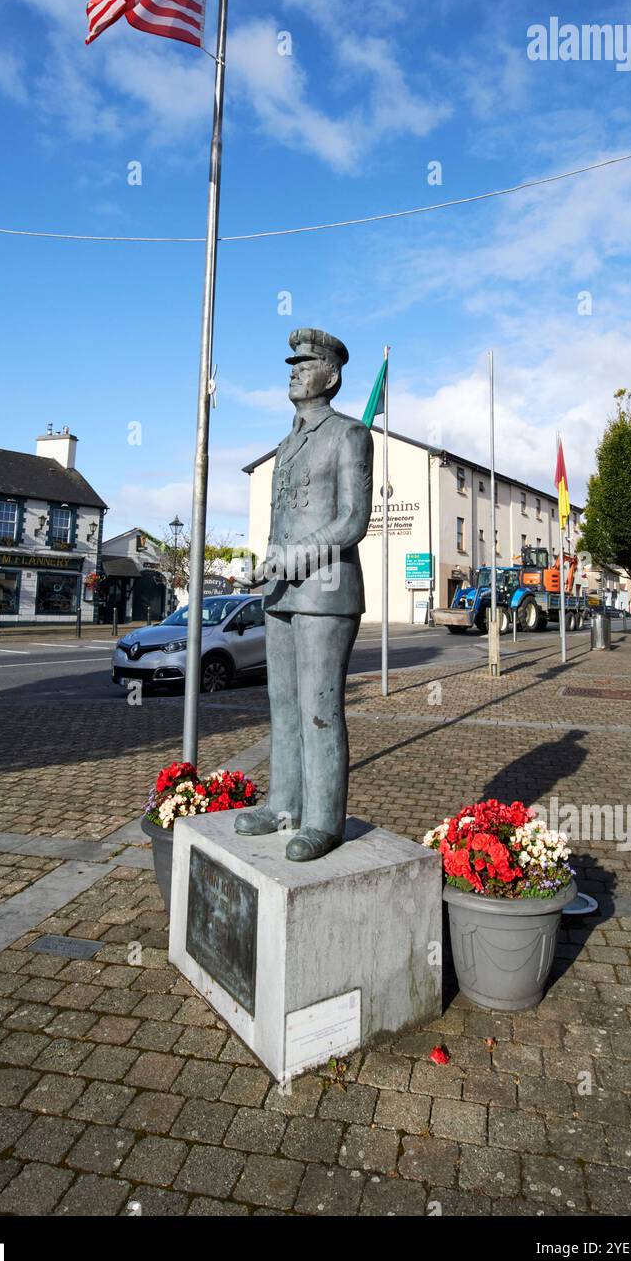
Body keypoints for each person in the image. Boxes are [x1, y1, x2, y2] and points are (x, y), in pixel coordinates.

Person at [234, 328, 373, 862]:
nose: (294, 370)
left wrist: (293, 557)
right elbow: (285, 517)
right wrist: (263, 563)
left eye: (306, 363)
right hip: (279, 588)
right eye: (291, 363)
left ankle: (323, 820)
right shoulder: (288, 442)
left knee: (320, 706)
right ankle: (284, 803)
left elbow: (351, 521)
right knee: (282, 703)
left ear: (331, 375)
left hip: (326, 589)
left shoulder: (349, 434)